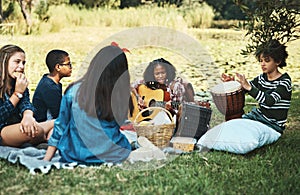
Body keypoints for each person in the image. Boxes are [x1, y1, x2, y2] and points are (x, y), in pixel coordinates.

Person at [43, 45, 132, 164]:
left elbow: (60, 126)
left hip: (75, 155)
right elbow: (119, 123)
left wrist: (46, 160)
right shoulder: (120, 95)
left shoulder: (73, 91)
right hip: (112, 154)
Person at [223, 39, 292, 133]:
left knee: (242, 131)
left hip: (273, 125)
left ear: (278, 61)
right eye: (261, 61)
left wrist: (249, 88)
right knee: (231, 125)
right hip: (257, 116)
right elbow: (244, 89)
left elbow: (270, 101)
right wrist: (232, 84)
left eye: (267, 61)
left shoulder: (284, 82)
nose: (262, 64)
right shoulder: (261, 78)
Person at [0, 44, 54, 147]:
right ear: (4, 62)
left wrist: (28, 115)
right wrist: (17, 94)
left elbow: (26, 103)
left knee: (61, 121)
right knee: (36, 130)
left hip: (18, 126)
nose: (21, 67)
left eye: (23, 63)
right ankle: (47, 139)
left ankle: (48, 138)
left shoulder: (19, 82)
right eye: (17, 62)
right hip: (2, 131)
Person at [32, 49, 72, 122]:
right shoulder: (49, 87)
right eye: (68, 64)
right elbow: (59, 114)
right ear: (58, 67)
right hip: (44, 124)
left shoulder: (48, 80)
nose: (71, 67)